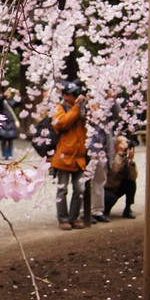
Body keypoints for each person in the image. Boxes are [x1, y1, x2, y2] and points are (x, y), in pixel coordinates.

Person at [50, 80, 89, 230]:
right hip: (64, 156)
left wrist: (88, 103)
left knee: (80, 189)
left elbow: (97, 118)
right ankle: (63, 219)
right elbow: (62, 123)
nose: (76, 96)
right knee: (63, 189)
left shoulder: (84, 107)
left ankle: (74, 218)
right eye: (73, 94)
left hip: (80, 157)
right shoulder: (59, 107)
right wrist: (76, 108)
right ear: (66, 96)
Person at [103, 134, 138, 219]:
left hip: (118, 187)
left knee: (131, 183)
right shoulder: (109, 156)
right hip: (108, 189)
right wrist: (120, 154)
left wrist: (131, 161)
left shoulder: (125, 157)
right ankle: (104, 210)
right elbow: (115, 170)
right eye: (123, 143)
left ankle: (128, 209)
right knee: (111, 198)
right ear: (116, 146)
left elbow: (133, 177)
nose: (126, 145)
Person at [0, 88, 19, 161]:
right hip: (3, 122)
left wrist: (18, 95)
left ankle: (10, 154)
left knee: (10, 139)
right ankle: (4, 155)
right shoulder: (2, 101)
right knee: (4, 139)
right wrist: (4, 95)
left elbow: (18, 103)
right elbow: (0, 101)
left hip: (11, 122)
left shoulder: (12, 102)